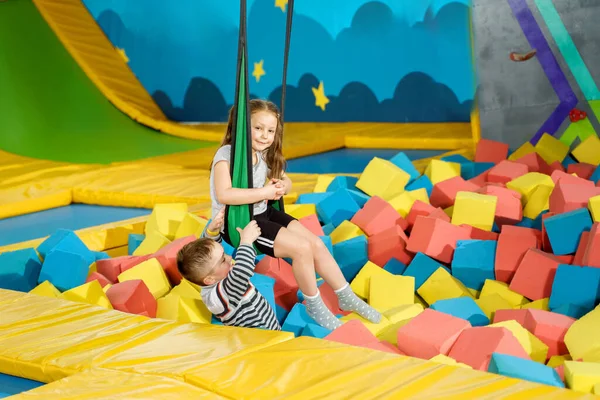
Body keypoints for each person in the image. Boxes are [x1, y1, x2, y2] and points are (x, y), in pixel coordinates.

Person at [210, 99, 381, 330]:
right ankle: (314, 305)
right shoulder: (228, 154)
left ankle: (345, 294)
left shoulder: (263, 153)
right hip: (240, 223)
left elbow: (284, 181)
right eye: (258, 128)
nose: (264, 136)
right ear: (242, 127)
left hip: (264, 211)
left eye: (270, 131)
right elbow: (224, 194)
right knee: (300, 249)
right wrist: (265, 191)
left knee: (316, 244)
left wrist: (281, 187)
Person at [177, 207, 281, 330]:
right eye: (222, 260)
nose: (228, 257)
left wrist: (212, 232)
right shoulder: (218, 297)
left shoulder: (215, 275)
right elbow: (242, 272)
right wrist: (246, 241)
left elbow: (210, 256)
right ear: (209, 279)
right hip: (265, 337)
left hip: (269, 323)